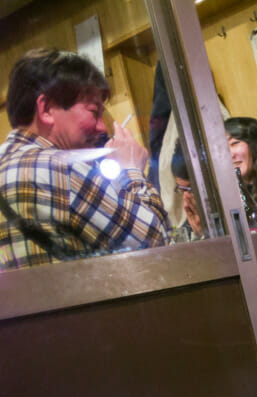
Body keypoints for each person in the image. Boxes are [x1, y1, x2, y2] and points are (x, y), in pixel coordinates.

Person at [0, 48, 169, 269]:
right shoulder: (58, 168)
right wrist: (132, 171)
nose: (101, 127)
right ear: (47, 109)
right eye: (93, 112)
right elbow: (157, 243)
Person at [169, 144, 205, 243]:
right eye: (181, 189)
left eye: (191, 189)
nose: (185, 197)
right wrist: (198, 235)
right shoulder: (189, 224)